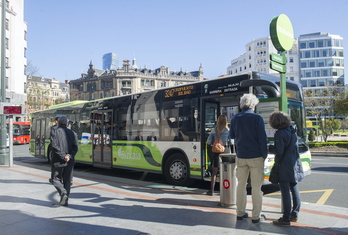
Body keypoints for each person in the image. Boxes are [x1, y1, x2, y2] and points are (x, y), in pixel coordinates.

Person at [230, 93, 268, 223]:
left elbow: (232, 136)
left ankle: (240, 213)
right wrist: (264, 155)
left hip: (241, 156)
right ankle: (256, 216)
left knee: (241, 185)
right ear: (253, 104)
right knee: (257, 188)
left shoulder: (235, 118)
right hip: (256, 156)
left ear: (242, 104)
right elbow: (262, 139)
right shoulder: (257, 118)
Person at [269, 111, 304, 226]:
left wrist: (269, 148)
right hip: (294, 163)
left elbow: (279, 151)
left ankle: (286, 218)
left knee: (285, 191)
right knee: (294, 189)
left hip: (284, 166)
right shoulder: (292, 130)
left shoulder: (280, 133)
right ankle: (295, 213)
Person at [50, 117, 78, 206]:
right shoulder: (73, 133)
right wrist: (69, 156)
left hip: (58, 161)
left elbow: (54, 146)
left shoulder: (54, 131)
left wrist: (62, 156)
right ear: (67, 124)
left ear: (58, 123)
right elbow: (75, 147)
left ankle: (63, 193)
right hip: (69, 161)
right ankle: (65, 201)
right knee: (67, 181)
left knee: (55, 179)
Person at [207, 115, 231, 196]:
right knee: (225, 173)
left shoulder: (214, 130)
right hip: (226, 152)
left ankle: (211, 190)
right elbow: (232, 142)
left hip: (216, 153)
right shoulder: (228, 131)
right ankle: (224, 191)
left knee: (214, 172)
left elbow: (209, 141)